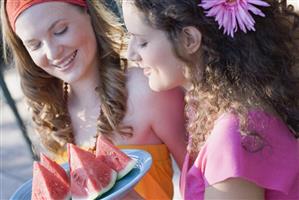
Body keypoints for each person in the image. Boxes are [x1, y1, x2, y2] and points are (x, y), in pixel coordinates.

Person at [1, 0, 187, 199]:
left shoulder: (148, 90)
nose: (52, 53)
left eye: (60, 30)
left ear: (88, 13)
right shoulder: (52, 116)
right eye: (35, 45)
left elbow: (204, 183)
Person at [122, 0, 299, 199]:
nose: (131, 54)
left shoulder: (235, 135)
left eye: (142, 41)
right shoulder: (223, 110)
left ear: (189, 39)